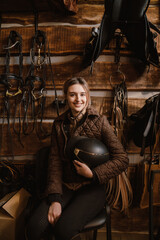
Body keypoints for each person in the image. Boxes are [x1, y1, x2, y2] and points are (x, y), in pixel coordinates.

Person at [26, 77, 129, 240]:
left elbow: (122, 159)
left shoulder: (100, 122)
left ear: (87, 96)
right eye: (73, 95)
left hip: (92, 187)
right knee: (35, 226)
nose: (78, 99)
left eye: (82, 94)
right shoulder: (58, 124)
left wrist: (93, 174)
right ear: (66, 96)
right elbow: (55, 163)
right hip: (66, 185)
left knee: (63, 229)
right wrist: (55, 199)